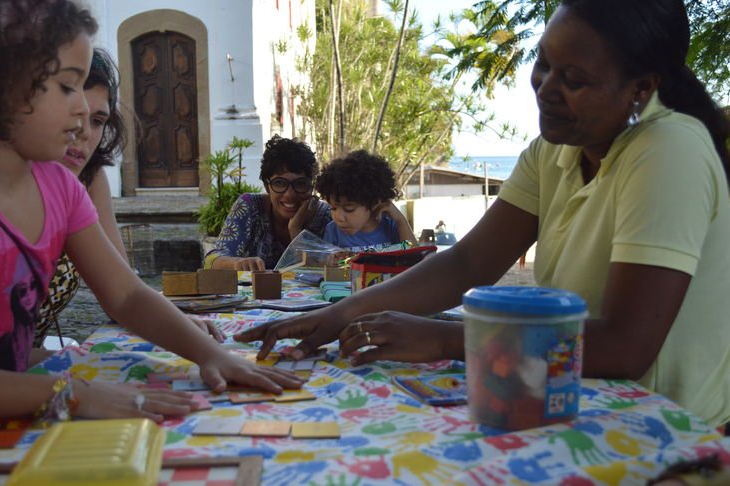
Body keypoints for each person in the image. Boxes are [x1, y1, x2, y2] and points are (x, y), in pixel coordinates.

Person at [236, 0, 730, 427]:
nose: (545, 88)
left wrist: (446, 339)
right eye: (544, 64)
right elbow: (468, 262)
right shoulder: (554, 151)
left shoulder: (668, 150)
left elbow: (625, 347)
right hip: (575, 399)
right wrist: (338, 314)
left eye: (574, 79)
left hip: (665, 426)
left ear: (641, 88)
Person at [0, 0, 302, 421]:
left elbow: (126, 295)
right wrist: (73, 394)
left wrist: (212, 354)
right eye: (68, 86)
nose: (83, 111)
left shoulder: (62, 190)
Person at [34, 48, 224, 348]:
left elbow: (124, 293)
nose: (83, 132)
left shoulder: (86, 180)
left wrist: (203, 347)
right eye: (70, 112)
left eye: (97, 120)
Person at [204, 135, 331, 271]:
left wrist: (296, 231)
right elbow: (211, 261)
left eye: (300, 184)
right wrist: (237, 263)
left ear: (311, 187)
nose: (289, 194)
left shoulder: (327, 217)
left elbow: (333, 269)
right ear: (266, 186)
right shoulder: (249, 207)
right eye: (280, 183)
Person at [316, 150, 416, 251]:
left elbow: (414, 254)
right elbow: (325, 260)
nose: (339, 218)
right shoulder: (333, 231)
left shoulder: (391, 226)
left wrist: (400, 220)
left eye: (349, 208)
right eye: (333, 208)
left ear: (374, 202)